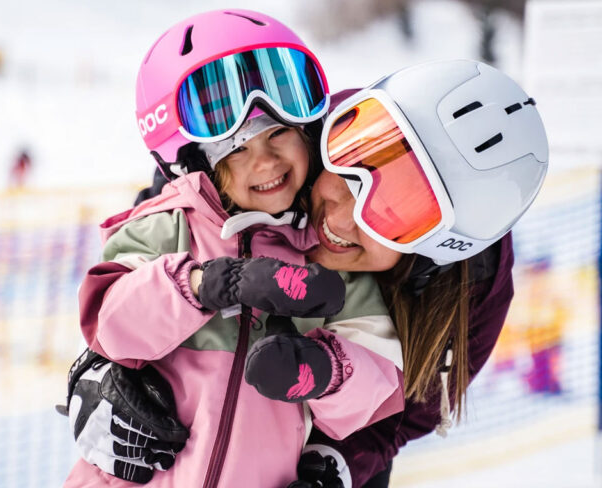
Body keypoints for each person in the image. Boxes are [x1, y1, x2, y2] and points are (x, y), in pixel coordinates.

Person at [61, 39, 548, 488]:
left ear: (429, 251)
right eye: (346, 172)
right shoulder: (317, 128)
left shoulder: (467, 291)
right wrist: (100, 366)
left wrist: (334, 464)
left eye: (392, 216)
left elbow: (402, 417)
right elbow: (186, 194)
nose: (338, 219)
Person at [59, 9, 406, 488]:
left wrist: (321, 370)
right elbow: (111, 323)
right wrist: (202, 285)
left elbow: (379, 383)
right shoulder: (166, 228)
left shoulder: (327, 256)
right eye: (237, 149)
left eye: (279, 133)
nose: (266, 160)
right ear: (196, 161)